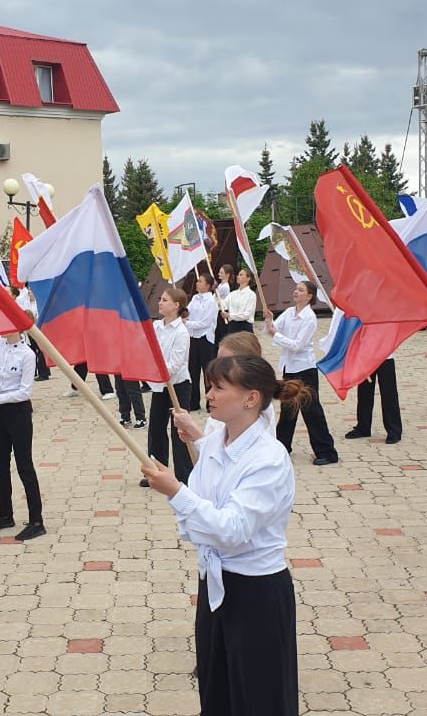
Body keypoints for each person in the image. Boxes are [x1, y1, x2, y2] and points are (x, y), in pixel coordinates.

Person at [144, 354, 303, 714]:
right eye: (209, 386)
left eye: (219, 387)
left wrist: (175, 491)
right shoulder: (215, 443)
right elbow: (198, 519)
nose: (209, 394)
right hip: (214, 583)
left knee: (260, 697)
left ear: (251, 398)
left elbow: (231, 529)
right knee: (217, 690)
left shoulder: (269, 458)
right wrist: (185, 498)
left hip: (256, 591)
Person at [0, 331, 46, 541]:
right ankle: (5, 514)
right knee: (0, 464)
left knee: (24, 465)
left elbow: (25, 392)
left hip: (18, 412)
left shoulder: (27, 354)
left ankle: (37, 521)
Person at [269, 282, 339, 465]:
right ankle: (282, 446)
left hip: (304, 369)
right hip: (289, 368)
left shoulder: (309, 318)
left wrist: (276, 334)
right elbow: (273, 329)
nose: (296, 292)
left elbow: (297, 345)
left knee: (311, 410)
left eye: (301, 290)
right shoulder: (290, 312)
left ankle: (327, 451)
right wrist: (269, 321)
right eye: (296, 289)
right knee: (287, 409)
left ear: (309, 296)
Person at [141, 288, 192, 487]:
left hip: (178, 386)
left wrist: (155, 372)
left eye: (164, 300)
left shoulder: (181, 332)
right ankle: (156, 473)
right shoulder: (156, 326)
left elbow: (174, 364)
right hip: (159, 386)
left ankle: (184, 477)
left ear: (176, 305)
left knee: (179, 432)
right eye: (160, 299)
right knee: (156, 429)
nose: (160, 302)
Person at [344, 354, 402, 444]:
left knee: (388, 392)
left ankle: (394, 430)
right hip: (366, 354)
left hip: (385, 354)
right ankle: (363, 427)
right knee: (364, 391)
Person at [185, 272, 219, 412]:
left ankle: (210, 402)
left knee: (207, 371)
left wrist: (187, 323)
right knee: (192, 369)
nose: (197, 283)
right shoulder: (194, 298)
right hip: (193, 337)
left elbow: (205, 322)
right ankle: (193, 402)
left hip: (205, 338)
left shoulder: (211, 301)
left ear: (208, 285)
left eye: (200, 281)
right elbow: (189, 312)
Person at [15, 287, 50, 381]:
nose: (30, 293)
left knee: (41, 350)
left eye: (31, 292)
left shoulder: (38, 303)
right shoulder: (26, 302)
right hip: (29, 330)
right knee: (32, 350)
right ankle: (33, 371)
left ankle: (44, 373)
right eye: (29, 292)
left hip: (38, 329)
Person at [221, 267, 256, 334]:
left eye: (241, 275)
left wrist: (230, 315)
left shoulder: (251, 295)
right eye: (238, 275)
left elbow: (247, 314)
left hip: (244, 328)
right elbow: (223, 305)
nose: (238, 276)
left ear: (248, 278)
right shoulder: (232, 294)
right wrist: (216, 294)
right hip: (232, 327)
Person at [214, 265, 233, 345]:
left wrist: (215, 291)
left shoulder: (225, 287)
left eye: (221, 273)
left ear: (227, 275)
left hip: (222, 311)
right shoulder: (220, 285)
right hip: (218, 310)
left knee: (221, 334)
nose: (219, 274)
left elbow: (216, 299)